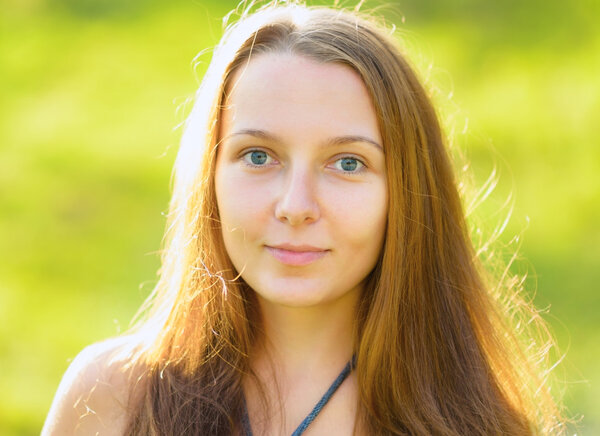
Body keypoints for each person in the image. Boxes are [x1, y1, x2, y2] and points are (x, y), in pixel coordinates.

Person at [42, 2, 566, 435]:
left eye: (347, 163)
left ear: (407, 193)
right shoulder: (108, 401)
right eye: (258, 156)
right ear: (211, 178)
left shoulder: (476, 424)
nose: (295, 205)